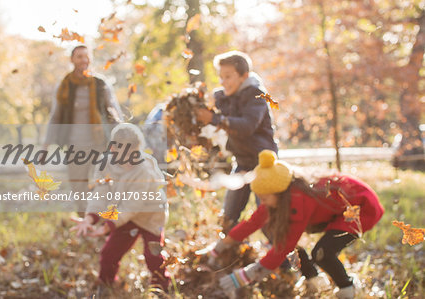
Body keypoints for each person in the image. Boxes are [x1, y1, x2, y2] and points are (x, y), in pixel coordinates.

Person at [203, 150, 384, 299]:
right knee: (290, 243)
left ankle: (348, 289)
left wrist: (245, 276)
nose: (262, 202)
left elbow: (283, 247)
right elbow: (252, 223)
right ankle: (314, 281)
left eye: (264, 198)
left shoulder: (298, 200)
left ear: (277, 193)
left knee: (322, 253)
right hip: (339, 211)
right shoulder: (280, 194)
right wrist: (219, 247)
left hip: (360, 209)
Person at [70, 123, 170, 295]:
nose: (129, 161)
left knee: (153, 256)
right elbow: (100, 194)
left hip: (151, 215)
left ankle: (161, 288)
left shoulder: (144, 171)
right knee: (109, 253)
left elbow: (132, 205)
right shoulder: (105, 165)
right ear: (114, 149)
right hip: (126, 217)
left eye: (134, 155)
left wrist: (108, 225)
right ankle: (106, 284)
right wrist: (90, 218)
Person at [196, 51, 278, 233]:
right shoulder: (223, 97)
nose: (223, 81)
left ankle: (282, 259)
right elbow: (208, 112)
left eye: (228, 76)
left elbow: (247, 126)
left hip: (263, 165)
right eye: (221, 77)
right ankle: (229, 256)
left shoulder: (257, 96)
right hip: (241, 163)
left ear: (244, 76)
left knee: (268, 220)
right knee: (228, 218)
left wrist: (214, 119)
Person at [43, 45, 123, 213]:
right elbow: (55, 117)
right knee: (78, 186)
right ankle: (83, 220)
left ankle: (100, 221)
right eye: (79, 56)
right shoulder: (64, 85)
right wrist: (45, 145)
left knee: (101, 183)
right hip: (74, 145)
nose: (84, 60)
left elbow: (114, 111)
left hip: (99, 143)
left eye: (86, 56)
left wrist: (122, 138)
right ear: (72, 59)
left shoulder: (100, 84)